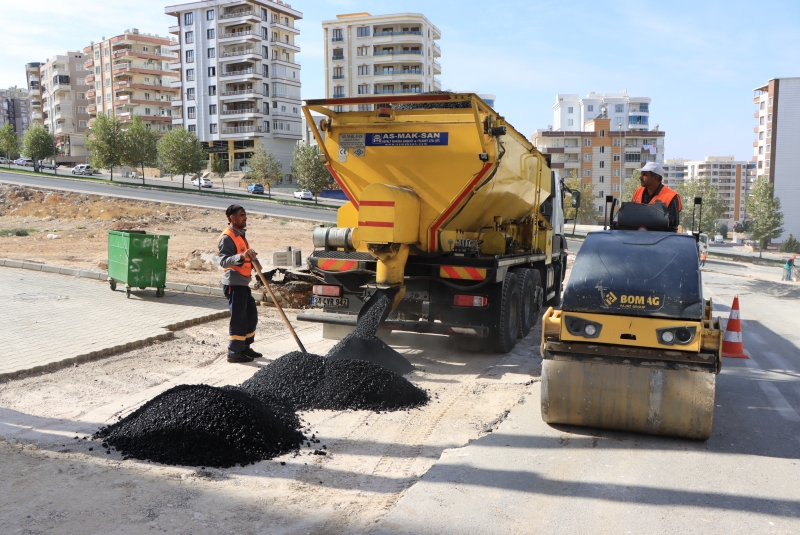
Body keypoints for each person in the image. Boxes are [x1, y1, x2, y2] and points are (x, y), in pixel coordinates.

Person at [218, 204, 262, 363]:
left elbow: (246, 254)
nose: (245, 218)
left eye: (245, 214)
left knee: (251, 316)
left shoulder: (240, 235)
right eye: (242, 215)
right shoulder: (227, 237)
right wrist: (242, 257)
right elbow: (224, 261)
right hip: (234, 283)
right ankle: (234, 352)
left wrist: (255, 261)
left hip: (243, 283)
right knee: (239, 318)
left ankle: (244, 347)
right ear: (232, 218)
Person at [632, 162, 682, 232]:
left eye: (644, 175)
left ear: (656, 178)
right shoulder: (638, 191)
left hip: (661, 239)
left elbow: (673, 225)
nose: (640, 177)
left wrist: (663, 210)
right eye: (641, 174)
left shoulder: (672, 196)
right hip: (637, 236)